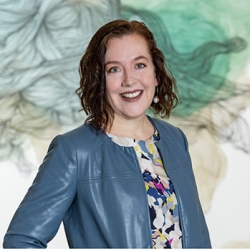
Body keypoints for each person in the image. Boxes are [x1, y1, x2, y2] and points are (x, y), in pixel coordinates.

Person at [3, 19, 211, 248]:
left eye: (139, 65)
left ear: (156, 73)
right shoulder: (74, 151)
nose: (129, 80)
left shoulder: (174, 139)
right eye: (114, 69)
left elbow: (199, 235)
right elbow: (21, 241)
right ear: (99, 80)